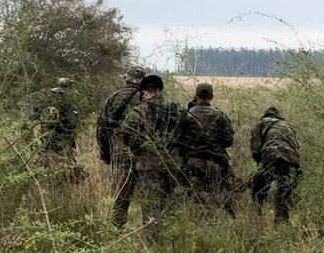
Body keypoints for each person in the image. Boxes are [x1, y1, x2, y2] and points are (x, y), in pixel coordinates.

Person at [116, 75, 184, 239]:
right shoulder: (176, 109)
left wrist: (136, 146)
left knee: (151, 204)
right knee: (168, 202)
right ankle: (171, 236)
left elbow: (125, 134)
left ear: (146, 92)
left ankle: (153, 242)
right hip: (173, 165)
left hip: (148, 166)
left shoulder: (140, 111)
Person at [96, 66, 150, 229]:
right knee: (147, 191)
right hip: (142, 151)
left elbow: (101, 127)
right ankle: (149, 227)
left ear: (127, 79)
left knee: (122, 191)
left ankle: (117, 226)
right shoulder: (146, 98)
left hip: (119, 150)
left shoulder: (114, 98)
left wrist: (106, 153)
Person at [180, 83, 237, 217]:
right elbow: (228, 141)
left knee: (195, 195)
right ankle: (214, 221)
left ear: (197, 96)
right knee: (216, 193)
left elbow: (179, 139)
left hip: (192, 161)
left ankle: (199, 221)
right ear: (211, 97)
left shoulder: (186, 115)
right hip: (215, 162)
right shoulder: (220, 115)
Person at [250, 106, 301, 224]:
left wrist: (260, 164)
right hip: (293, 162)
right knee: (283, 195)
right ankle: (281, 224)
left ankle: (257, 217)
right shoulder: (288, 126)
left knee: (258, 188)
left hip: (273, 159)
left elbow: (255, 149)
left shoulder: (261, 124)